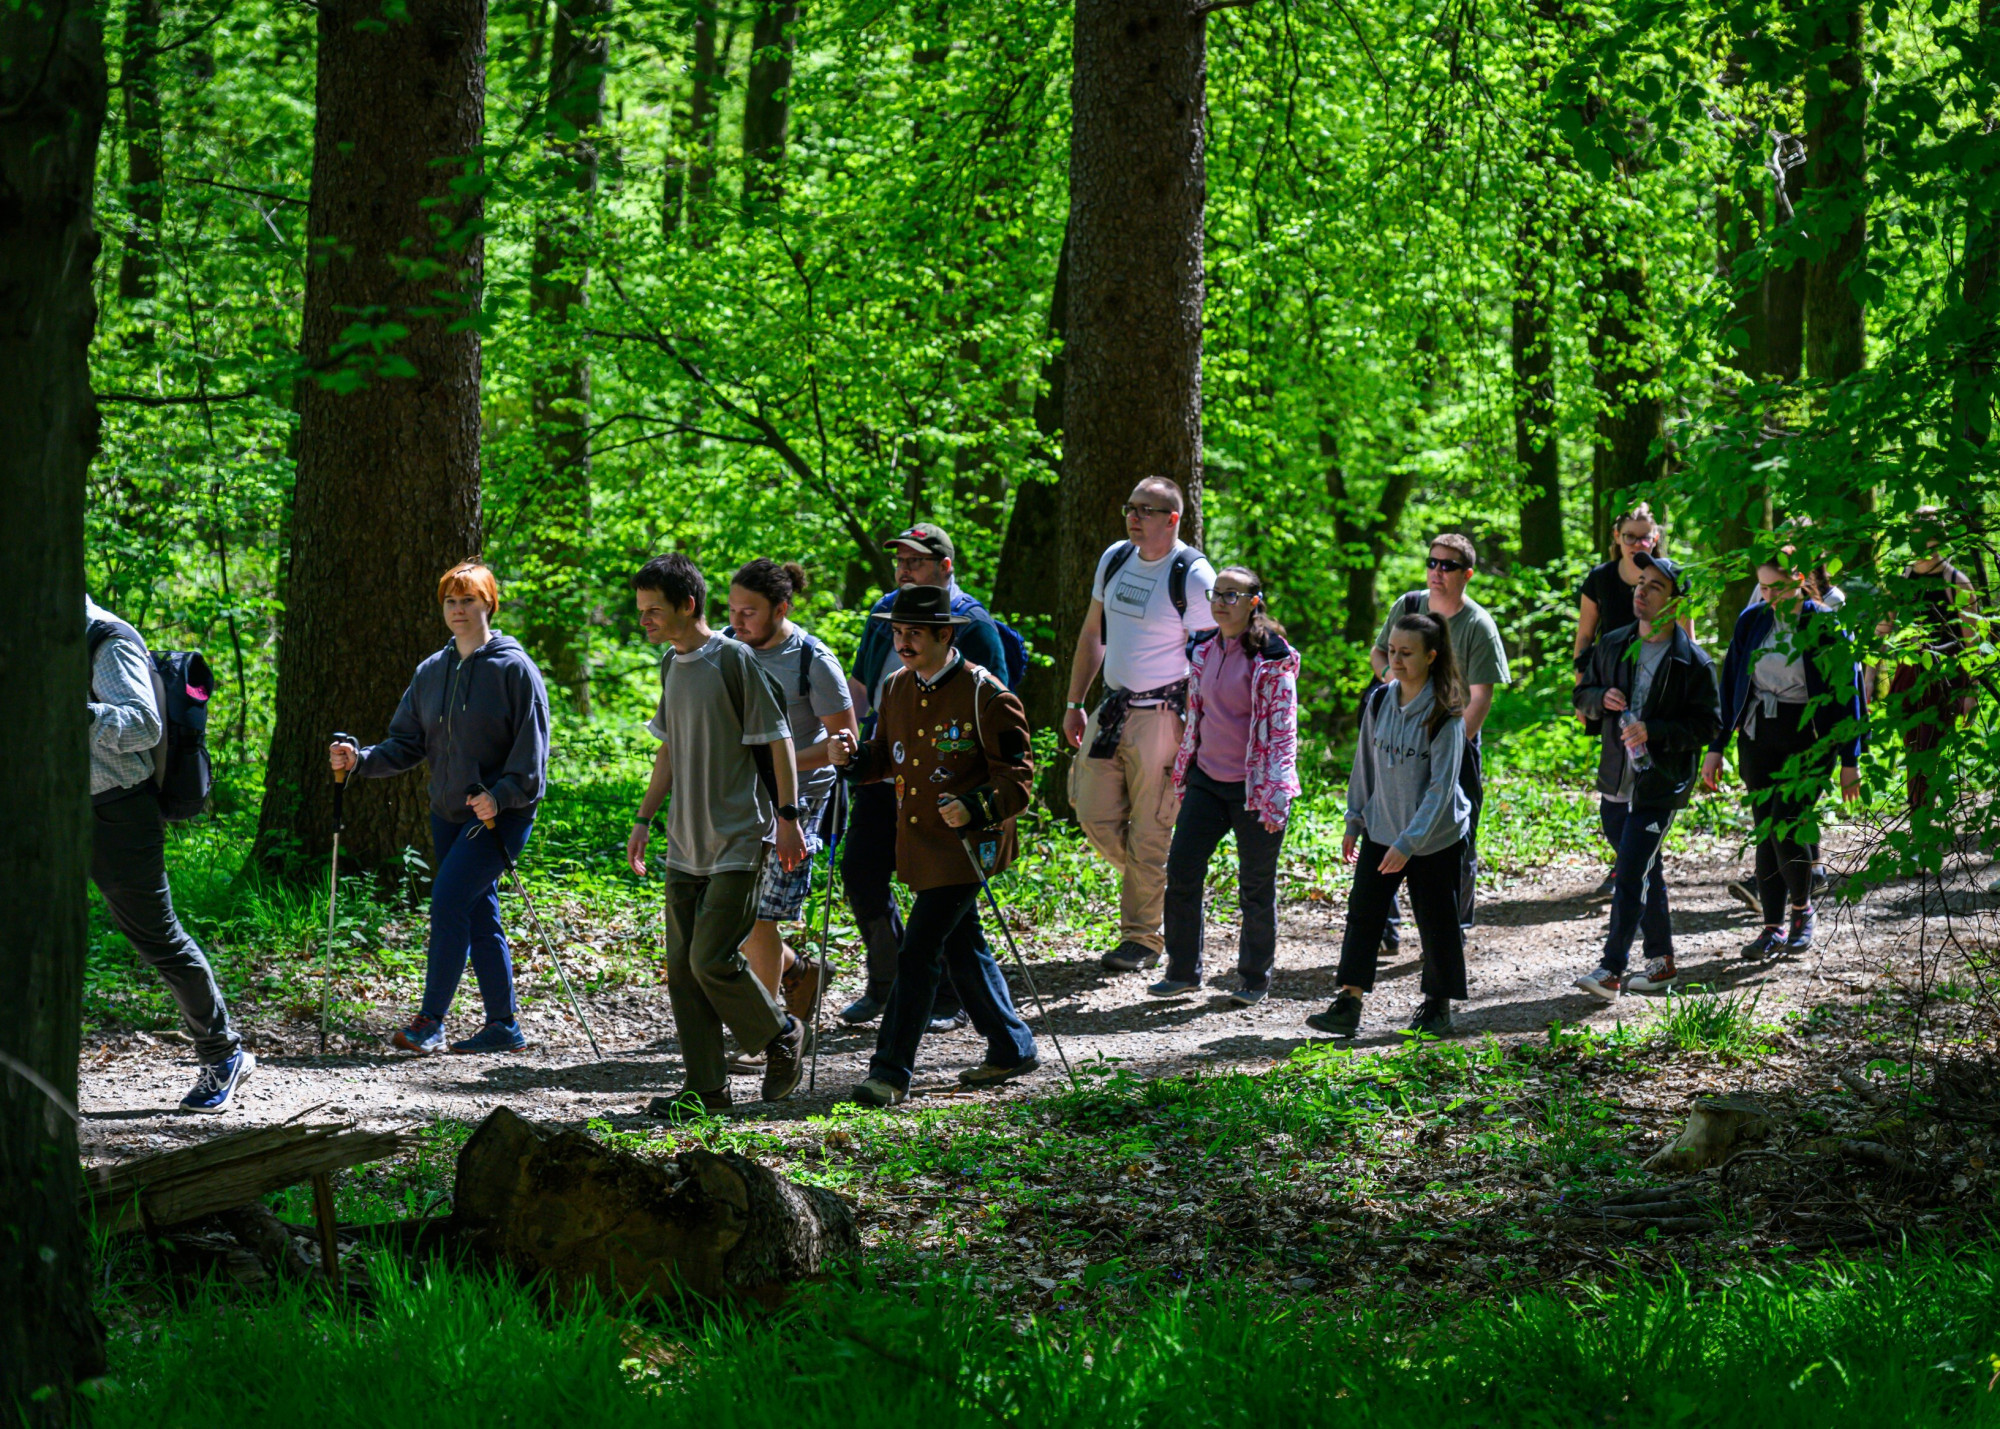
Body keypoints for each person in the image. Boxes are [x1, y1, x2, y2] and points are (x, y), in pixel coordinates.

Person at [827, 585, 1041, 1107]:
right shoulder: (896, 687)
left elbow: (1020, 777)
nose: (902, 642)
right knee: (960, 944)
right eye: (897, 632)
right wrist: (852, 760)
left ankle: (889, 1071)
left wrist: (976, 805)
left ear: (946, 635)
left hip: (969, 845)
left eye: (914, 633)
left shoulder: (985, 694)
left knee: (918, 949)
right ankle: (1012, 1045)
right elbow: (885, 757)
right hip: (920, 842)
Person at [330, 562, 550, 1057]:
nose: (458, 610)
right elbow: (406, 743)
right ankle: (503, 1026)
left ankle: (431, 1022)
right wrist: (360, 760)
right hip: (448, 814)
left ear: (489, 604)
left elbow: (532, 760)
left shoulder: (516, 670)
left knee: (450, 900)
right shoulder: (432, 671)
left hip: (499, 816)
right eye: (451, 601)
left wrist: (501, 794)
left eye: (468, 600)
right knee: (479, 914)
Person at [623, 553, 809, 1113]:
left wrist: (788, 819)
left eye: (654, 610)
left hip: (736, 840)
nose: (645, 620)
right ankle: (706, 1087)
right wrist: (644, 816)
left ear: (689, 604)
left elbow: (778, 742)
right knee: (681, 969)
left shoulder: (734, 661)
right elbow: (670, 749)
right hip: (684, 845)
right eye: (641, 611)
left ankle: (780, 1034)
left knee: (709, 959)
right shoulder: (669, 665)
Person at [838, 523, 1011, 1030]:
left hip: (947, 785)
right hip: (885, 768)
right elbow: (861, 685)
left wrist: (980, 798)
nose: (904, 569)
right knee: (861, 872)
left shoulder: (972, 625)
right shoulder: (883, 613)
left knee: (943, 905)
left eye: (916, 561)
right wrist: (851, 750)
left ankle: (940, 1006)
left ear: (944, 567)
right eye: (901, 561)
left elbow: (998, 704)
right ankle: (888, 982)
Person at [86, 595, 251, 1112]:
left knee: (157, 937)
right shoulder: (37, 636)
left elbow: (143, 725)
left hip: (117, 812)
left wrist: (71, 712)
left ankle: (223, 1054)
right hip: (50, 807)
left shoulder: (107, 640)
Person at [1063, 477, 1219, 972]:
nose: (1134, 517)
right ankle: (1169, 886)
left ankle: (1142, 938)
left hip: (1164, 717)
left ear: (1173, 519)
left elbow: (1211, 658)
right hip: (1112, 708)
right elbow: (1093, 632)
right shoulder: (1114, 558)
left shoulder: (1192, 575)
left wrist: (1202, 730)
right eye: (1130, 507)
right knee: (1090, 811)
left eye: (1147, 510)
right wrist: (1074, 700)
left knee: (1151, 828)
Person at [1307, 611, 1470, 1040]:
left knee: (1436, 921)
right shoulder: (1379, 700)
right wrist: (1354, 819)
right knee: (1364, 914)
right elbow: (1365, 765)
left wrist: (1410, 842)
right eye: (1392, 651)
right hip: (1382, 828)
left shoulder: (1444, 713)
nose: (1395, 660)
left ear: (1432, 656)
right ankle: (1349, 1002)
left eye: (1407, 653)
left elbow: (1441, 788)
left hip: (1433, 838)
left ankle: (1438, 1006)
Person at [1569, 555, 1721, 1000]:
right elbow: (1582, 694)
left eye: (1655, 586)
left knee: (1631, 869)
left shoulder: (1692, 662)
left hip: (1661, 783)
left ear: (1675, 604)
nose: (1641, 590)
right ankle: (1661, 962)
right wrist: (1602, 698)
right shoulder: (1614, 642)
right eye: (1641, 582)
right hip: (1616, 778)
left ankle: (1611, 969)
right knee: (1644, 870)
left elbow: (1708, 726)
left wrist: (1655, 731)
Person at [1703, 554, 1866, 958]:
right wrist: (1717, 746)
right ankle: (1771, 928)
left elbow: (1849, 692)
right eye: (1762, 587)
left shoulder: (1825, 624)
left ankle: (1802, 911)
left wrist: (1850, 759)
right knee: (1765, 829)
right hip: (1759, 736)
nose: (1768, 595)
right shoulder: (1753, 620)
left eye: (1775, 587)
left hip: (1809, 738)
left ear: (1799, 579)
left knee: (1785, 822)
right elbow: (1731, 684)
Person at [1150, 567, 1300, 1003]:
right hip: (1207, 782)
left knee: (1255, 886)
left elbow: (1282, 733)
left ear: (1254, 601)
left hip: (1255, 790)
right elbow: (1196, 717)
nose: (1220, 602)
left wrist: (1274, 798)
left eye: (1231, 595)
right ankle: (1182, 971)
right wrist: (1184, 770)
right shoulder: (1202, 648)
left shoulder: (1271, 659)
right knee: (1181, 871)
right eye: (1216, 594)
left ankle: (1253, 979)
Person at [724, 559, 858, 1009]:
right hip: (739, 797)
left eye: (749, 612)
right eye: (732, 609)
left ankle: (764, 1033)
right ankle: (800, 972)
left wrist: (777, 767)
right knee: (727, 915)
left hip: (800, 800)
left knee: (761, 919)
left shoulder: (812, 661)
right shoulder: (724, 647)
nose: (736, 621)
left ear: (781, 609)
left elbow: (844, 742)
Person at [1370, 532, 1508, 934]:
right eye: (1432, 562)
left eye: (1447, 566)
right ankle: (1385, 926)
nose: (1436, 572)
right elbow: (1380, 652)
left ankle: (1454, 925)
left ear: (1466, 574)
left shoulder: (1478, 625)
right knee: (1389, 822)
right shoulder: (1408, 606)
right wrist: (1390, 677)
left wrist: (1452, 745)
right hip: (1399, 736)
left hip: (1454, 738)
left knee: (1456, 832)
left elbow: (1481, 696)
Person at [1876, 510, 1978, 811]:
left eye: (1928, 532)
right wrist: (1868, 679)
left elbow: (1972, 640)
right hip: (1910, 677)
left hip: (1945, 676)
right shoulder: (1901, 581)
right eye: (1915, 532)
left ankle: (1925, 816)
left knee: (1931, 745)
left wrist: (1970, 689)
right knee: (1913, 747)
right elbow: (1882, 631)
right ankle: (1919, 815)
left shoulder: (1956, 581)